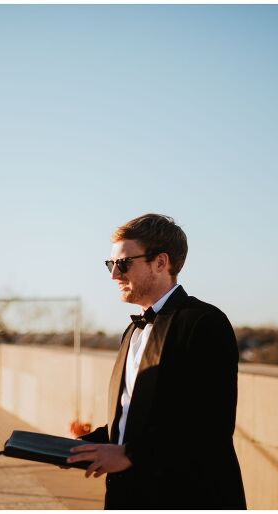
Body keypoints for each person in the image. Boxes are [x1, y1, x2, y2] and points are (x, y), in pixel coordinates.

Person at [66, 213, 246, 509]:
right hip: (129, 496)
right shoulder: (132, 331)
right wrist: (84, 446)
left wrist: (130, 455)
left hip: (186, 496)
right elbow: (133, 420)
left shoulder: (204, 322)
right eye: (111, 265)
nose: (114, 275)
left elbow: (211, 426)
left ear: (161, 263)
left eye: (123, 264)